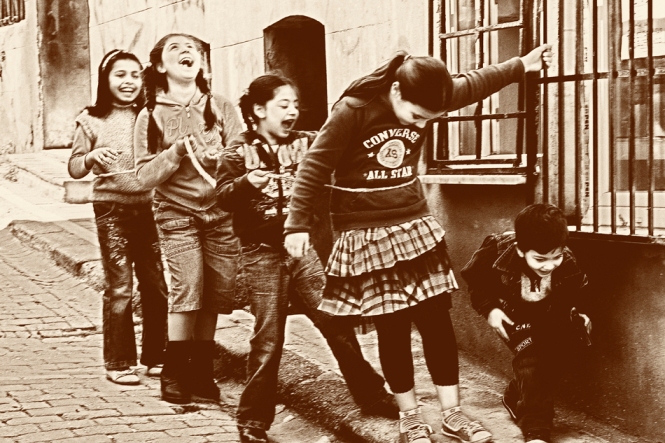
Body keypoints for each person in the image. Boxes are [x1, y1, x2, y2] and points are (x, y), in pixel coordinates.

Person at [283, 44, 554, 443]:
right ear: (395, 91)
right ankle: (410, 417)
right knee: (393, 328)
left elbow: (473, 84)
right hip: (366, 231)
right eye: (415, 116)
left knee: (436, 322)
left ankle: (453, 414)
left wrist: (520, 65)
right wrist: (296, 225)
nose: (421, 123)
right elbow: (314, 166)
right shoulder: (353, 110)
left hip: (413, 225)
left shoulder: (430, 94)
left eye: (429, 118)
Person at [216, 74, 399, 443]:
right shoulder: (237, 151)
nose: (292, 112)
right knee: (268, 339)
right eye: (283, 105)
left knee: (335, 323)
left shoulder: (306, 142)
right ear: (259, 110)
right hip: (260, 254)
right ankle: (252, 422)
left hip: (302, 251)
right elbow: (222, 197)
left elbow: (342, 138)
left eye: (295, 105)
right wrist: (247, 183)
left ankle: (371, 395)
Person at [134, 34, 242, 404]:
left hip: (221, 213)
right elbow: (143, 176)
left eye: (193, 49)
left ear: (202, 64)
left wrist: (221, 158)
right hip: (176, 213)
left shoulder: (221, 106)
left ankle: (201, 373)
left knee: (214, 293)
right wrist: (176, 152)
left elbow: (242, 155)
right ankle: (174, 372)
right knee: (188, 290)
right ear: (160, 66)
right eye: (175, 48)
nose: (187, 52)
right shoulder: (150, 115)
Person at [68, 49, 168, 386]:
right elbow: (75, 168)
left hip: (150, 209)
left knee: (156, 285)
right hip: (111, 210)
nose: (129, 82)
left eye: (135, 75)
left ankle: (156, 356)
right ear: (105, 79)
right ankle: (119, 361)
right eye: (120, 75)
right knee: (121, 287)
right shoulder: (90, 119)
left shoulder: (151, 115)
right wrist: (91, 156)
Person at [460, 204, 591, 443]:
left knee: (560, 356)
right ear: (521, 250)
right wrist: (490, 309)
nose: (549, 266)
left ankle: (516, 394)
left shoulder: (567, 260)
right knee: (531, 363)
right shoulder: (497, 250)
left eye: (556, 257)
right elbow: (475, 280)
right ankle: (536, 430)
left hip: (550, 315)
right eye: (540, 259)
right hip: (513, 315)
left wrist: (580, 313)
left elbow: (577, 289)